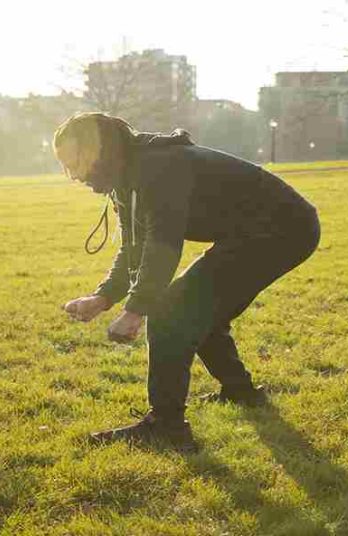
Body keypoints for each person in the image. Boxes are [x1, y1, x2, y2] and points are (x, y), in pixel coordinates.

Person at [54, 112, 320, 451]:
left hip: (283, 229)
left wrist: (136, 310)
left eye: (74, 162)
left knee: (171, 313)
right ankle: (240, 392)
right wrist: (103, 297)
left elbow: (162, 245)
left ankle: (167, 427)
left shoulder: (157, 168)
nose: (73, 175)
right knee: (199, 310)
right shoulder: (127, 176)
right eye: (65, 167)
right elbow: (135, 247)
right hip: (252, 234)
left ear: (99, 149)